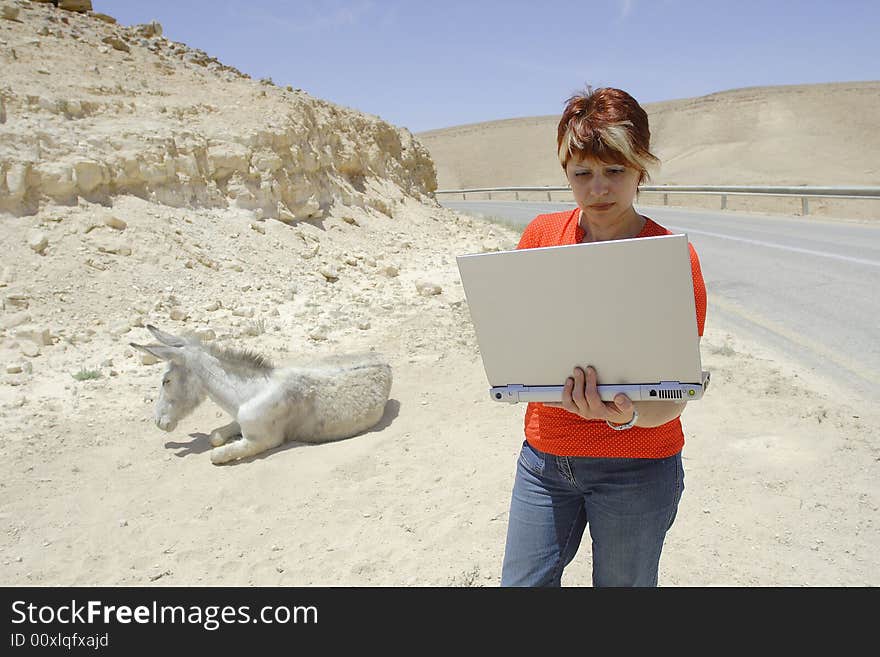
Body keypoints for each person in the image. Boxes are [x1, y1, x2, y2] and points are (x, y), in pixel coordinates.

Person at [500, 86, 707, 587]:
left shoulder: (672, 260)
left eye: (615, 171)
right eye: (582, 174)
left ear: (641, 168)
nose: (598, 189)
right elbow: (522, 342)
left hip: (638, 468)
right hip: (545, 460)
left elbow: (674, 398)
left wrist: (627, 414)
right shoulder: (540, 238)